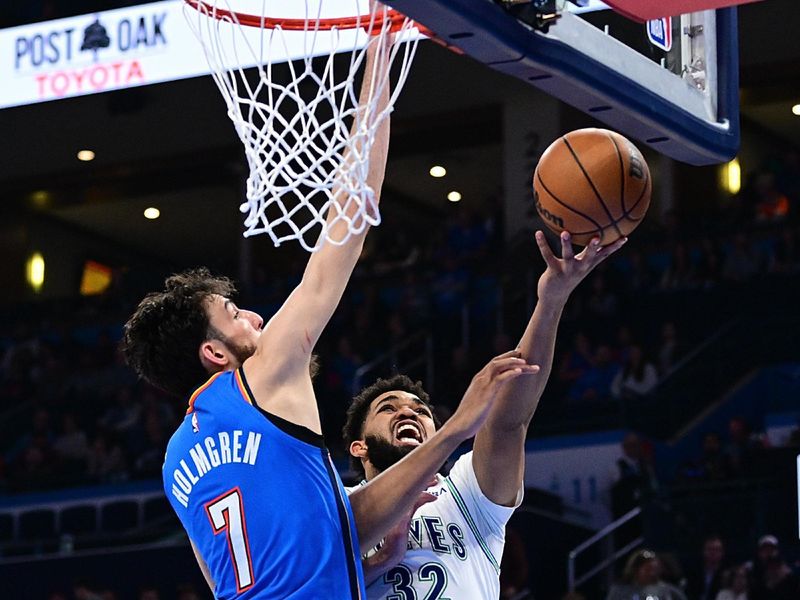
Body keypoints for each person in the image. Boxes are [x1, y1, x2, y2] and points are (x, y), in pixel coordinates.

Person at [121, 35, 540, 598]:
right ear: (215, 353)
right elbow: (349, 219)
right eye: (233, 313)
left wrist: (369, 560)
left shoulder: (175, 463)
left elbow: (252, 572)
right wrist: (379, 59)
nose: (254, 315)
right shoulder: (260, 376)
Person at [343, 230, 626, 598]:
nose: (407, 413)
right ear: (359, 447)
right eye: (388, 408)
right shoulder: (340, 505)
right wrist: (377, 565)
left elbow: (509, 423)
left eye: (420, 410)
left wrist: (551, 300)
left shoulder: (464, 493)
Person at [606, 549, 687, 600]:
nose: (652, 573)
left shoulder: (666, 590)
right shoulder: (620, 590)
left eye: (655, 569)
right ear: (636, 569)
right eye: (648, 569)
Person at [685, 535, 727, 600]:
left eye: (717, 550)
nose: (713, 553)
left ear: (722, 552)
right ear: (704, 551)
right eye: (710, 549)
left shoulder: (726, 573)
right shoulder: (694, 571)